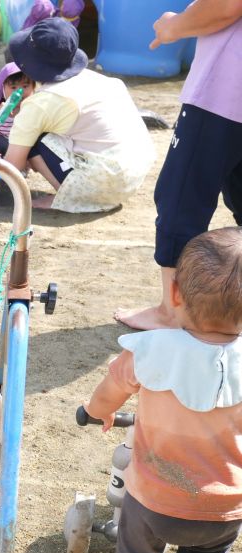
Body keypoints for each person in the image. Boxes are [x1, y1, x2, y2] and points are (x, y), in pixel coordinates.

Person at [83, 228, 242, 553]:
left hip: (157, 495)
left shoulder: (151, 350)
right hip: (227, 505)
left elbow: (111, 390)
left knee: (137, 547)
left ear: (173, 295)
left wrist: (97, 410)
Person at [114, 1, 242, 331]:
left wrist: (176, 25)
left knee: (181, 197)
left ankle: (173, 311)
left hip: (225, 90)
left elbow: (226, 6)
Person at [1, 17, 154, 211]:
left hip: (98, 187)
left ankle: (69, 197)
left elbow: (11, 167)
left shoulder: (39, 104)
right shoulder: (104, 81)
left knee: (31, 138)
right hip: (131, 178)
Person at [0, 62, 34, 157]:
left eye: (25, 86)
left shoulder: (33, 111)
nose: (19, 92)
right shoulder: (0, 111)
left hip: (19, 149)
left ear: (33, 87)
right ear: (3, 90)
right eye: (13, 87)